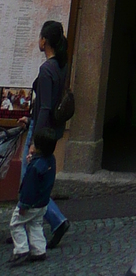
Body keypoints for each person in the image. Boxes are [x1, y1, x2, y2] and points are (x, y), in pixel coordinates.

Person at [21, 22, 70, 251]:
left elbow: (44, 107)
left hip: (42, 132)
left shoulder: (47, 69)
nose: (38, 41)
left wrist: (34, 142)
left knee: (30, 181)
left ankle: (56, 221)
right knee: (37, 180)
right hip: (51, 130)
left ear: (45, 41)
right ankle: (34, 226)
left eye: (40, 37)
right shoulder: (61, 65)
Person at [11, 127, 56, 263]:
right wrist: (33, 160)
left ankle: (21, 248)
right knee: (36, 224)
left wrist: (23, 205)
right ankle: (39, 251)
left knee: (15, 224)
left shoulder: (35, 167)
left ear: (39, 147)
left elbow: (29, 188)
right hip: (43, 202)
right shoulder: (50, 160)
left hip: (31, 203)